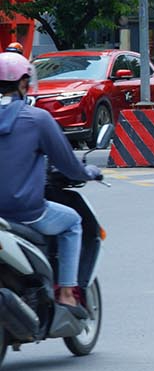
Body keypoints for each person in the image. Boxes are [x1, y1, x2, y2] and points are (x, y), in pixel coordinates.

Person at [0, 51, 102, 311]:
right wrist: (89, 172)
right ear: (23, 84)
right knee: (73, 223)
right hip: (25, 212)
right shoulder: (37, 119)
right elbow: (68, 165)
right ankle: (67, 292)